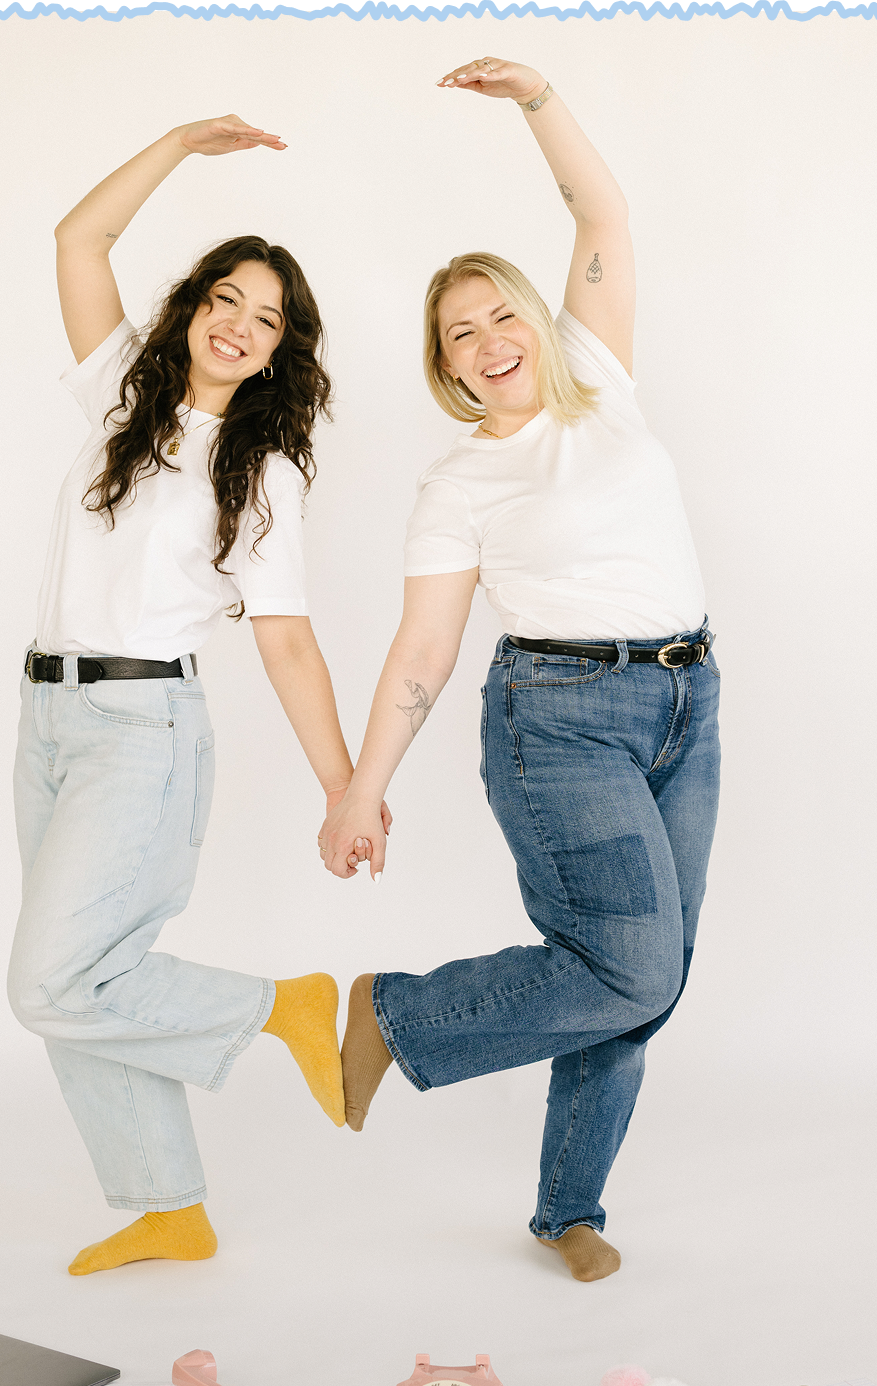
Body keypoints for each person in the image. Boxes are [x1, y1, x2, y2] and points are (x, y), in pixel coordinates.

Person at [319, 59, 720, 1283]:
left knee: (643, 978)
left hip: (690, 698)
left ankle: (568, 1208)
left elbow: (602, 217)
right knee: (630, 962)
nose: (490, 341)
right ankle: (394, 1013)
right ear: (445, 367)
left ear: (536, 324)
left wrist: (540, 101)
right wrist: (359, 784)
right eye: (461, 333)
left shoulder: (599, 380)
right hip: (559, 721)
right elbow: (424, 648)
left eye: (502, 314)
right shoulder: (460, 483)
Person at [8, 115, 383, 1276]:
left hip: (145, 735)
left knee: (54, 978)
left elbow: (286, 643)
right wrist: (178, 143)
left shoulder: (259, 471)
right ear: (192, 307)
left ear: (281, 350)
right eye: (226, 296)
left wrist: (345, 786)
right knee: (90, 974)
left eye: (266, 317)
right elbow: (80, 236)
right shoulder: (123, 393)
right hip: (48, 718)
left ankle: (287, 1007)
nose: (238, 324)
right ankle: (168, 1203)